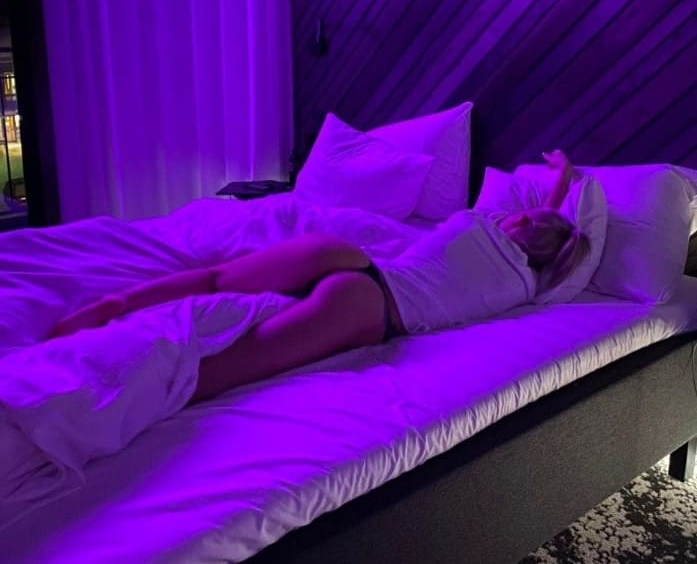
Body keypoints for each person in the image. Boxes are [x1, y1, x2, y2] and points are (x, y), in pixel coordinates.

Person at [51, 150, 590, 403]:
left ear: (522, 222)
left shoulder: (477, 223)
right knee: (221, 373)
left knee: (214, 280)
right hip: (371, 308)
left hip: (350, 258)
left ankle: (106, 309)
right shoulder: (528, 288)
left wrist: (561, 178)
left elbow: (543, 213)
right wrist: (564, 204)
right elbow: (551, 234)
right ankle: (94, 388)